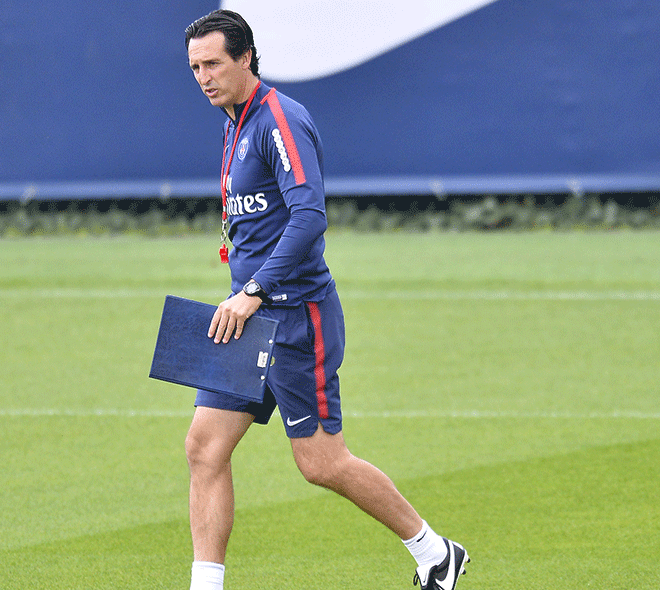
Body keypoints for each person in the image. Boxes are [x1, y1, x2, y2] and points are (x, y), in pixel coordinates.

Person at [181, 10, 469, 590]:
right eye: (194, 68)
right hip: (246, 314)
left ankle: (435, 552)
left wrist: (255, 290)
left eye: (213, 64)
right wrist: (244, 294)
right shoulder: (234, 123)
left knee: (321, 463)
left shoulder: (279, 119)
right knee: (204, 447)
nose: (203, 78)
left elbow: (309, 216)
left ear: (245, 58)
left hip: (295, 317)